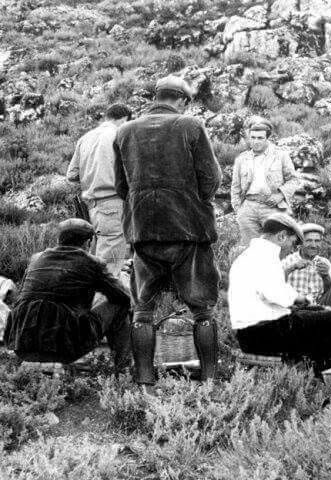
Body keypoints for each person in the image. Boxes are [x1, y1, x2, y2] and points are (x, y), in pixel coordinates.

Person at [113, 75, 222, 387]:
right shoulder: (191, 126)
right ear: (183, 100)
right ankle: (209, 379)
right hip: (188, 230)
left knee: (142, 310)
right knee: (202, 309)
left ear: (156, 96)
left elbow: (122, 187)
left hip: (142, 230)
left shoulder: (124, 131)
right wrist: (191, 202)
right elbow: (211, 180)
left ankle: (145, 380)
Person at [228, 213, 331, 374]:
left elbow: (272, 289)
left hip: (254, 332)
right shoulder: (264, 257)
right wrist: (299, 298)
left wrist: (305, 303)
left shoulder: (252, 254)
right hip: (262, 334)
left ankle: (316, 371)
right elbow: (275, 294)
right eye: (292, 241)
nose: (290, 247)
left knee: (319, 315)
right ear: (281, 236)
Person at [3, 219, 131, 372]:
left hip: (22, 342)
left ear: (59, 240)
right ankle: (124, 371)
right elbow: (122, 296)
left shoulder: (36, 259)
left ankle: (30, 369)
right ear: (88, 242)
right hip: (63, 347)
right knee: (118, 303)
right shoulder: (91, 262)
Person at [66, 104, 133, 276]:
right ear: (125, 119)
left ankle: (88, 301)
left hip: (90, 208)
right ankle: (101, 302)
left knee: (95, 261)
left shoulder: (85, 138)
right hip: (113, 204)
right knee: (108, 269)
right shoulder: (120, 135)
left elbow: (71, 175)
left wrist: (92, 177)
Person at [230, 117, 299, 246]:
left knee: (277, 247)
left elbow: (294, 180)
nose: (256, 142)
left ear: (267, 138)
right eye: (253, 137)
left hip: (273, 208)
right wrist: (239, 210)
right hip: (249, 208)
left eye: (260, 138)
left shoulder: (280, 155)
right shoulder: (242, 159)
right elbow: (235, 187)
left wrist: (280, 195)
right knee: (250, 250)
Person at [282, 223, 331, 310]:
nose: (313, 245)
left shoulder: (325, 263)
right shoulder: (288, 261)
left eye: (317, 241)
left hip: (318, 306)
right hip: (296, 308)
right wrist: (293, 267)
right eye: (309, 240)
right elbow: (276, 286)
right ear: (301, 242)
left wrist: (325, 276)